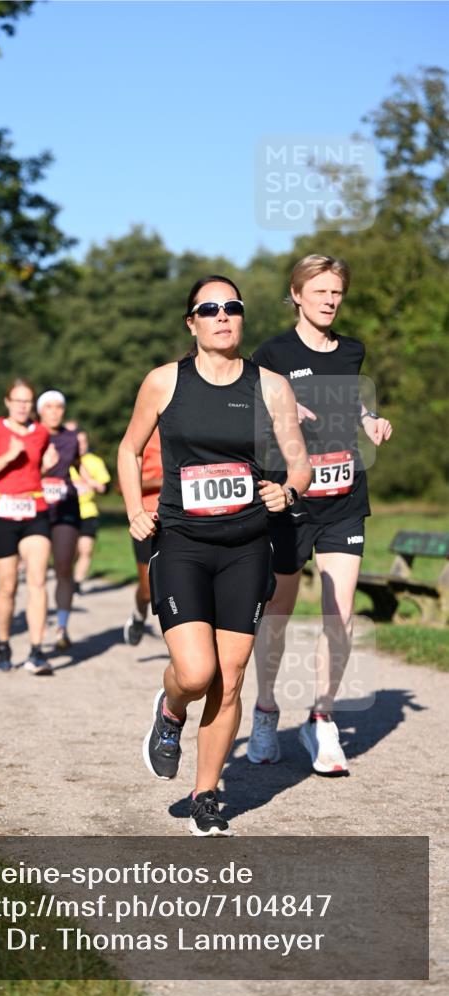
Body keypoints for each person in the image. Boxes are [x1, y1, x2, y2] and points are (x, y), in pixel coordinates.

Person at [118, 275, 311, 836]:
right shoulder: (164, 382)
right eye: (210, 309)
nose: (223, 316)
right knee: (197, 671)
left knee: (230, 675)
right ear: (192, 322)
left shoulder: (271, 386)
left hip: (248, 545)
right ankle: (171, 709)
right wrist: (135, 508)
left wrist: (289, 489)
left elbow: (298, 460)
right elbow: (129, 450)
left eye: (233, 307)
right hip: (182, 543)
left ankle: (205, 795)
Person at [245, 255, 393, 775]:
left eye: (337, 292)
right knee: (279, 615)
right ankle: (265, 712)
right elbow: (251, 414)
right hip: (291, 500)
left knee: (341, 613)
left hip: (344, 497)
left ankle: (322, 717)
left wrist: (371, 420)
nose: (330, 300)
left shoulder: (352, 350)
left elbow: (351, 404)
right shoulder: (272, 353)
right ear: (297, 294)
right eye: (321, 291)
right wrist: (281, 412)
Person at [0, 379, 54, 674]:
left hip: (35, 510)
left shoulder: (41, 433)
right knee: (7, 586)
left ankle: (36, 650)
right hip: (1, 511)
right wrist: (8, 456)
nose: (22, 407)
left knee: (38, 581)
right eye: (17, 401)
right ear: (7, 402)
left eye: (27, 402)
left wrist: (48, 463)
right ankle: (4, 644)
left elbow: (36, 469)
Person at [37, 390, 81, 650]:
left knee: (64, 567)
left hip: (65, 506)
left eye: (59, 407)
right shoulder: (30, 434)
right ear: (40, 410)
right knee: (38, 571)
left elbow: (77, 463)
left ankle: (62, 626)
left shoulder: (71, 438)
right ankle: (39, 623)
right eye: (49, 407)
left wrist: (87, 480)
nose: (54, 411)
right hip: (37, 509)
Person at [122, 426, 163, 645]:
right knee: (148, 591)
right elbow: (121, 486)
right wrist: (162, 483)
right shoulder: (143, 433)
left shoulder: (193, 426)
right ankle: (139, 615)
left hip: (185, 520)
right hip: (148, 519)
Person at [70, 430, 111, 592]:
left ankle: (76, 583)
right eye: (77, 442)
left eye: (83, 442)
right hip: (68, 511)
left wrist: (92, 482)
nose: (80, 445)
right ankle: (67, 576)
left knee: (85, 549)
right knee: (69, 552)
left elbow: (105, 487)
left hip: (88, 511)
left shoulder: (95, 462)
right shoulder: (64, 459)